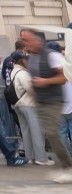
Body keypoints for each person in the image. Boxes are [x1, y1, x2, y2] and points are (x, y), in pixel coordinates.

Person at [20, 29, 72, 182]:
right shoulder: (32, 58)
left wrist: (45, 82)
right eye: (23, 40)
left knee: (53, 133)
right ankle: (67, 167)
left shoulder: (52, 55)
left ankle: (68, 167)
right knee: (52, 134)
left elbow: (64, 77)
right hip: (41, 101)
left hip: (54, 100)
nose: (25, 44)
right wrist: (33, 91)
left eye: (27, 40)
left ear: (37, 41)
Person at [9, 51, 47, 165]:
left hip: (18, 105)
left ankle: (29, 157)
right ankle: (41, 158)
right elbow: (31, 89)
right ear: (21, 60)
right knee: (37, 131)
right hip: (29, 104)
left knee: (26, 132)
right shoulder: (22, 73)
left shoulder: (14, 71)